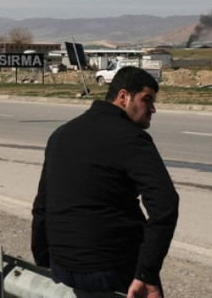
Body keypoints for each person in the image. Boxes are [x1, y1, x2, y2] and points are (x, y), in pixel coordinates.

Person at [31, 66, 179, 298]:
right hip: (110, 269)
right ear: (123, 97)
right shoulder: (132, 138)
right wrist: (146, 274)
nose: (153, 109)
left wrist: (42, 258)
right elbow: (165, 206)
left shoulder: (61, 134)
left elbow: (42, 204)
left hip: (62, 267)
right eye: (146, 100)